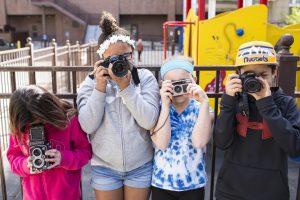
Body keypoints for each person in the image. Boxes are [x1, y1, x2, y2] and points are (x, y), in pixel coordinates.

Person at [76, 11, 160, 200]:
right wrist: (100, 88)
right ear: (102, 60)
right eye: (113, 60)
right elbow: (87, 125)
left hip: (141, 165)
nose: (120, 63)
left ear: (133, 51)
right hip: (105, 168)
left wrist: (127, 88)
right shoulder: (91, 83)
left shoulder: (144, 78)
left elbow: (149, 121)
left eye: (125, 56)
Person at [214, 41, 300, 200]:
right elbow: (221, 142)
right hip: (230, 191)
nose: (257, 80)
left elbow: (295, 147)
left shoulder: (287, 104)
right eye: (250, 75)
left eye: (263, 75)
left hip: (271, 193)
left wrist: (266, 104)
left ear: (275, 72)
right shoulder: (233, 101)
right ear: (239, 73)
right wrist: (227, 102)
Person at [6, 85, 92, 200]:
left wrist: (63, 158)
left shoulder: (68, 121)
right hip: (32, 196)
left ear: (47, 109)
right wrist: (25, 165)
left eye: (40, 120)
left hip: (66, 196)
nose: (36, 126)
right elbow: (13, 157)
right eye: (30, 124)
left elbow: (85, 152)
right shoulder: (19, 128)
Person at [151, 55, 214, 200]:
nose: (178, 88)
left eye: (182, 82)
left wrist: (204, 101)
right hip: (162, 184)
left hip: (193, 185)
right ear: (163, 84)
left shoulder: (202, 108)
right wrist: (165, 104)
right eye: (172, 83)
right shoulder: (157, 108)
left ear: (194, 80)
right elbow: (161, 143)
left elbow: (199, 142)